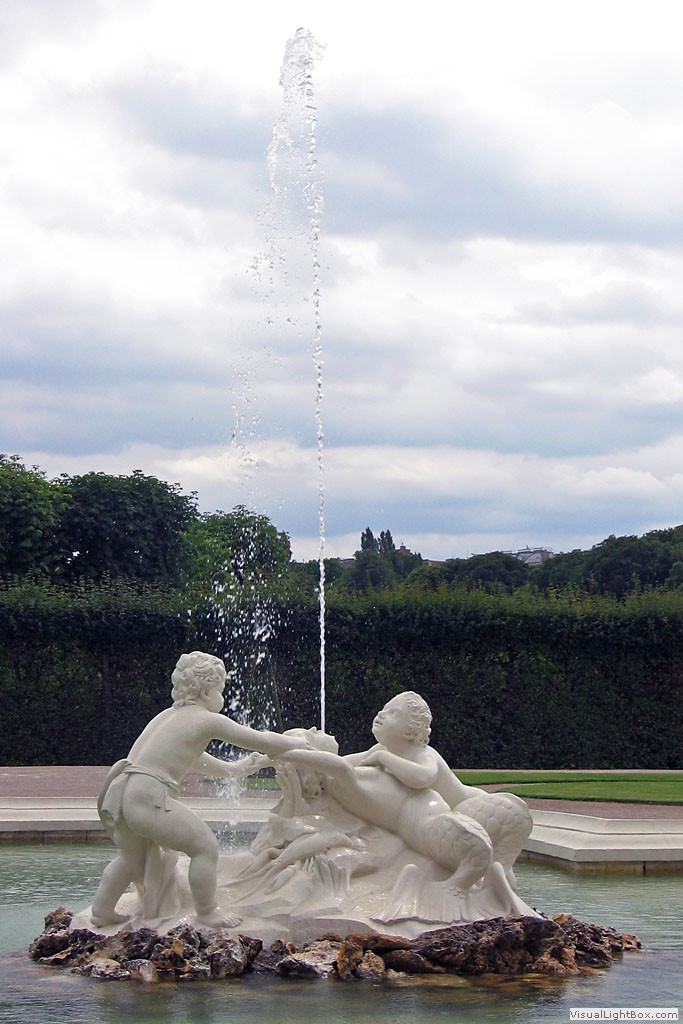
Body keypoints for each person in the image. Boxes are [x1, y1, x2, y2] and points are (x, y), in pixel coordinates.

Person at [91, 651, 306, 930]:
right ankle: (207, 912)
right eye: (221, 690)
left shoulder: (167, 716)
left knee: (133, 859)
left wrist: (237, 768)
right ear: (205, 690)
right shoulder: (207, 719)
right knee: (204, 846)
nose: (222, 696)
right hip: (149, 796)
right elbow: (262, 740)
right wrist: (298, 743)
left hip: (122, 794)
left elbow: (195, 758)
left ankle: (101, 911)